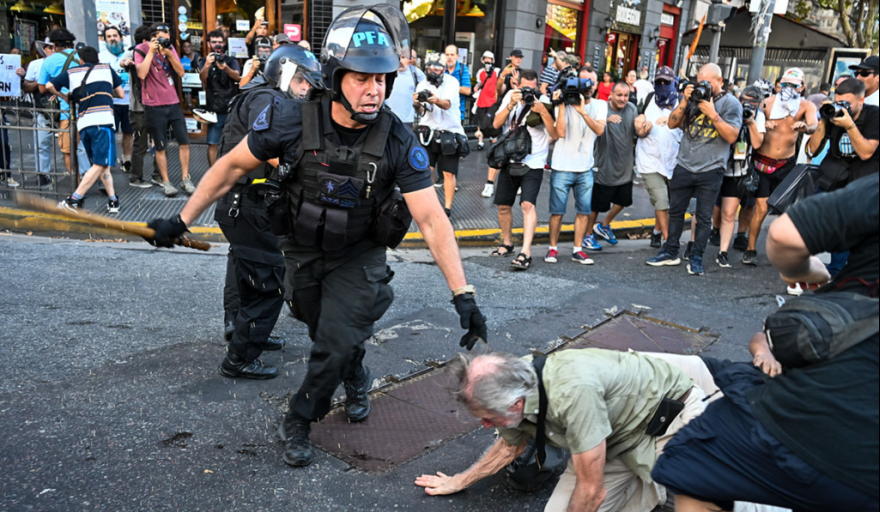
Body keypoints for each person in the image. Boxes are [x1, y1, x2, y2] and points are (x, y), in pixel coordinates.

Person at [143, 5, 487, 468]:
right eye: (362, 78)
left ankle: (300, 419)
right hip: (301, 252)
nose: (375, 89)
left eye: (382, 79)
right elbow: (230, 167)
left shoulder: (398, 139)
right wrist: (181, 220)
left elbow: (431, 219)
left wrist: (462, 295)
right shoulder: (290, 119)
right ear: (333, 76)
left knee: (336, 338)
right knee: (318, 324)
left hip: (358, 255)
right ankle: (355, 371)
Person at [652, 174, 879, 512]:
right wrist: (762, 352)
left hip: (814, 420)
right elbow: (761, 338)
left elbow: (786, 236)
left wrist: (810, 273)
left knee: (693, 464)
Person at [416, 349, 708, 512]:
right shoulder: (517, 380)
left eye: (489, 418)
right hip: (616, 436)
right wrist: (460, 481)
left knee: (709, 501)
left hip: (669, 421)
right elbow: (509, 447)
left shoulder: (572, 394)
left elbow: (592, 491)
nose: (486, 425)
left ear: (515, 403)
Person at [216, 45, 322, 379]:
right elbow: (267, 146)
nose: (307, 88)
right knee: (271, 278)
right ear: (285, 75)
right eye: (302, 80)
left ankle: (244, 331)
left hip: (242, 202)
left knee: (249, 270)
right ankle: (240, 358)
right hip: (246, 202)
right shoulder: (268, 100)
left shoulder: (258, 94)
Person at [647, 63, 743, 276]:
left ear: (720, 81)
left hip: (711, 168)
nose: (703, 86)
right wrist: (684, 101)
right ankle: (670, 251)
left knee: (704, 216)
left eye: (708, 82)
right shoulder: (692, 99)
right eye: (701, 82)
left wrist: (713, 114)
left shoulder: (730, 103)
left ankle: (697, 256)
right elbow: (672, 124)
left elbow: (732, 136)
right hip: (684, 164)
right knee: (676, 211)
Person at [742, 68, 817, 267]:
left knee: (787, 210)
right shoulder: (768, 103)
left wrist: (805, 128)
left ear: (802, 86)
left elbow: (814, 124)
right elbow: (752, 119)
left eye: (793, 85)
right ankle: (750, 249)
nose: (788, 89)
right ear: (779, 84)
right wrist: (764, 123)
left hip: (786, 163)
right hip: (763, 162)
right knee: (761, 208)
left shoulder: (805, 105)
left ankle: (785, 250)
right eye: (785, 84)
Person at [490, 69, 557, 270]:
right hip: (510, 160)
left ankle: (525, 252)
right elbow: (495, 124)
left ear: (537, 86)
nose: (529, 90)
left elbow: (555, 133)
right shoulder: (511, 97)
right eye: (525, 86)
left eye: (532, 87)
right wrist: (511, 104)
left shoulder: (543, 101)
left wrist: (543, 111)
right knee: (503, 205)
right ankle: (508, 242)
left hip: (533, 162)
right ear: (516, 85)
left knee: (527, 205)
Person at [50, 46, 125, 214]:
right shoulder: (106, 68)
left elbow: (49, 85)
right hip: (103, 121)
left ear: (81, 60)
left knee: (101, 164)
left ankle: (113, 200)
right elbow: (120, 93)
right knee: (101, 163)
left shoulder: (72, 72)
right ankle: (74, 199)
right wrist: (103, 90)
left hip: (84, 124)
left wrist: (64, 97)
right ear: (97, 59)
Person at [545, 69, 606, 265]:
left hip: (585, 168)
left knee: (584, 211)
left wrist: (582, 111)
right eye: (584, 82)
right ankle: (553, 249)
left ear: (595, 85)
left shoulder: (599, 105)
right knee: (557, 211)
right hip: (562, 166)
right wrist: (562, 105)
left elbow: (599, 130)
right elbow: (560, 133)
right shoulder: (564, 102)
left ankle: (577, 250)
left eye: (591, 82)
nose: (588, 87)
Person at [585, 82, 651, 253]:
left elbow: (637, 132)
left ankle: (604, 225)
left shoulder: (631, 109)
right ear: (611, 95)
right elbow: (590, 128)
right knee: (596, 205)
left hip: (625, 166)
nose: (623, 99)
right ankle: (587, 234)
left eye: (626, 95)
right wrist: (605, 121)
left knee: (623, 201)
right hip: (604, 166)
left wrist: (644, 128)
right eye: (619, 95)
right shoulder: (601, 108)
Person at [135, 23, 194, 197]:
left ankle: (185, 179)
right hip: (153, 104)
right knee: (160, 145)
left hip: (173, 102)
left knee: (185, 142)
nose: (165, 42)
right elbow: (141, 74)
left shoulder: (169, 48)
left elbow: (181, 73)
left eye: (167, 39)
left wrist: (169, 53)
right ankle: (166, 182)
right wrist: (152, 51)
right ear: (152, 38)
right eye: (161, 39)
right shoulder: (141, 49)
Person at [715, 85, 766, 269]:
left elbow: (758, 143)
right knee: (706, 209)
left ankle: (723, 252)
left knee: (729, 213)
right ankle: (695, 245)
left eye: (753, 103)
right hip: (716, 165)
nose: (747, 105)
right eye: (744, 100)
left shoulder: (758, 117)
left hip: (738, 171)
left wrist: (751, 122)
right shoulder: (731, 108)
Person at [635, 66, 682, 250]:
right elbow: (637, 124)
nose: (662, 86)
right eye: (659, 82)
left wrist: (672, 120)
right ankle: (670, 243)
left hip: (673, 161)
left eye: (666, 82)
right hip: (649, 160)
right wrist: (642, 130)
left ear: (674, 83)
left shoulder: (682, 102)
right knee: (662, 200)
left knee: (666, 201)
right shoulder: (648, 100)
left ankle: (656, 231)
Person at [414, 56, 465, 217]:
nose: (433, 72)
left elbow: (446, 104)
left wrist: (435, 99)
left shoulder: (452, 82)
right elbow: (422, 111)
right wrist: (417, 103)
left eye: (437, 69)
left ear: (443, 70)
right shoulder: (423, 83)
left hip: (450, 132)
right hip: (428, 132)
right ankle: (431, 204)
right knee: (426, 169)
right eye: (430, 69)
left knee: (448, 173)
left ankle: (447, 208)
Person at [37, 28, 91, 178]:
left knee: (69, 151)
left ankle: (78, 187)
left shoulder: (49, 61)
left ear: (54, 45)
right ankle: (100, 181)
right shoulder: (83, 56)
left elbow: (42, 88)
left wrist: (58, 91)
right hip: (91, 108)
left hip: (68, 112)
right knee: (91, 147)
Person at [808, 78, 879, 190]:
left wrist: (849, 126)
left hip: (860, 184)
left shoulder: (874, 114)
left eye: (846, 104)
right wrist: (824, 119)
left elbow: (866, 153)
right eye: (838, 103)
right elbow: (813, 150)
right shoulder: (835, 113)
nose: (842, 107)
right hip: (831, 180)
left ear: (861, 101)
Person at [122, 25, 158, 189]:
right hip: (139, 107)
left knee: (159, 142)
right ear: (145, 41)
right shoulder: (134, 51)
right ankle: (135, 177)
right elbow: (123, 60)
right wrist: (125, 62)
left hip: (155, 104)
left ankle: (158, 175)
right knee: (141, 144)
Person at [200, 30, 242, 167]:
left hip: (231, 107)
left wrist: (225, 68)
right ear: (208, 43)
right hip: (214, 108)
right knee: (213, 143)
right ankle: (213, 174)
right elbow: (202, 78)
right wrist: (207, 64)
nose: (217, 45)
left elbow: (237, 77)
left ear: (224, 43)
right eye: (214, 42)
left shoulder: (231, 60)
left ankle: (229, 173)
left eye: (219, 42)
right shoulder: (204, 60)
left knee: (232, 144)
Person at [98, 25, 134, 173]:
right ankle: (108, 161)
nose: (112, 39)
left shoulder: (130, 54)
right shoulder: (100, 57)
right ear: (105, 40)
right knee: (109, 133)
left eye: (115, 35)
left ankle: (127, 161)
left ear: (121, 37)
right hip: (110, 103)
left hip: (129, 102)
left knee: (128, 133)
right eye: (109, 36)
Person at [22, 40, 55, 188]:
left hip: (65, 108)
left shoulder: (65, 61)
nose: (52, 50)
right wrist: (40, 82)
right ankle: (43, 174)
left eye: (55, 46)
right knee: (41, 144)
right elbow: (26, 86)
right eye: (49, 47)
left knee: (75, 145)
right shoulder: (35, 64)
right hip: (42, 108)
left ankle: (83, 175)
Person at [386, 46, 426, 130]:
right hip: (387, 118)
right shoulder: (387, 71)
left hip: (407, 121)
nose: (400, 60)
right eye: (398, 57)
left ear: (409, 59)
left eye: (403, 57)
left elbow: (426, 91)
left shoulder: (416, 73)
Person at [473, 51, 500, 152]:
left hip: (492, 100)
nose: (488, 60)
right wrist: (476, 87)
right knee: (480, 122)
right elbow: (479, 83)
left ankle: (493, 141)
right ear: (483, 59)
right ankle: (480, 142)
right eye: (486, 58)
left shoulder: (497, 71)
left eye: (490, 58)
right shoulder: (480, 72)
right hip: (482, 100)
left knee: (491, 122)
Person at [443, 44, 471, 122]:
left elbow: (467, 90)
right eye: (447, 55)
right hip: (441, 113)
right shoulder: (441, 69)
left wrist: (449, 86)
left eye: (452, 54)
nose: (449, 57)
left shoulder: (463, 68)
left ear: (457, 56)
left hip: (457, 113)